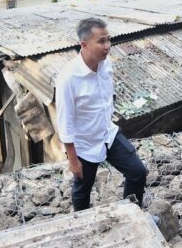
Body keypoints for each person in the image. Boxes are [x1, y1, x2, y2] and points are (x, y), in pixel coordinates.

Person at [56, 18, 147, 211]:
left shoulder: (106, 66)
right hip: (85, 144)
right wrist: (73, 159)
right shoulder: (68, 78)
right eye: (101, 41)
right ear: (84, 45)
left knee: (137, 172)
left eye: (108, 40)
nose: (107, 46)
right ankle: (85, 227)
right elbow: (65, 122)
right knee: (82, 190)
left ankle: (133, 213)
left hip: (108, 135)